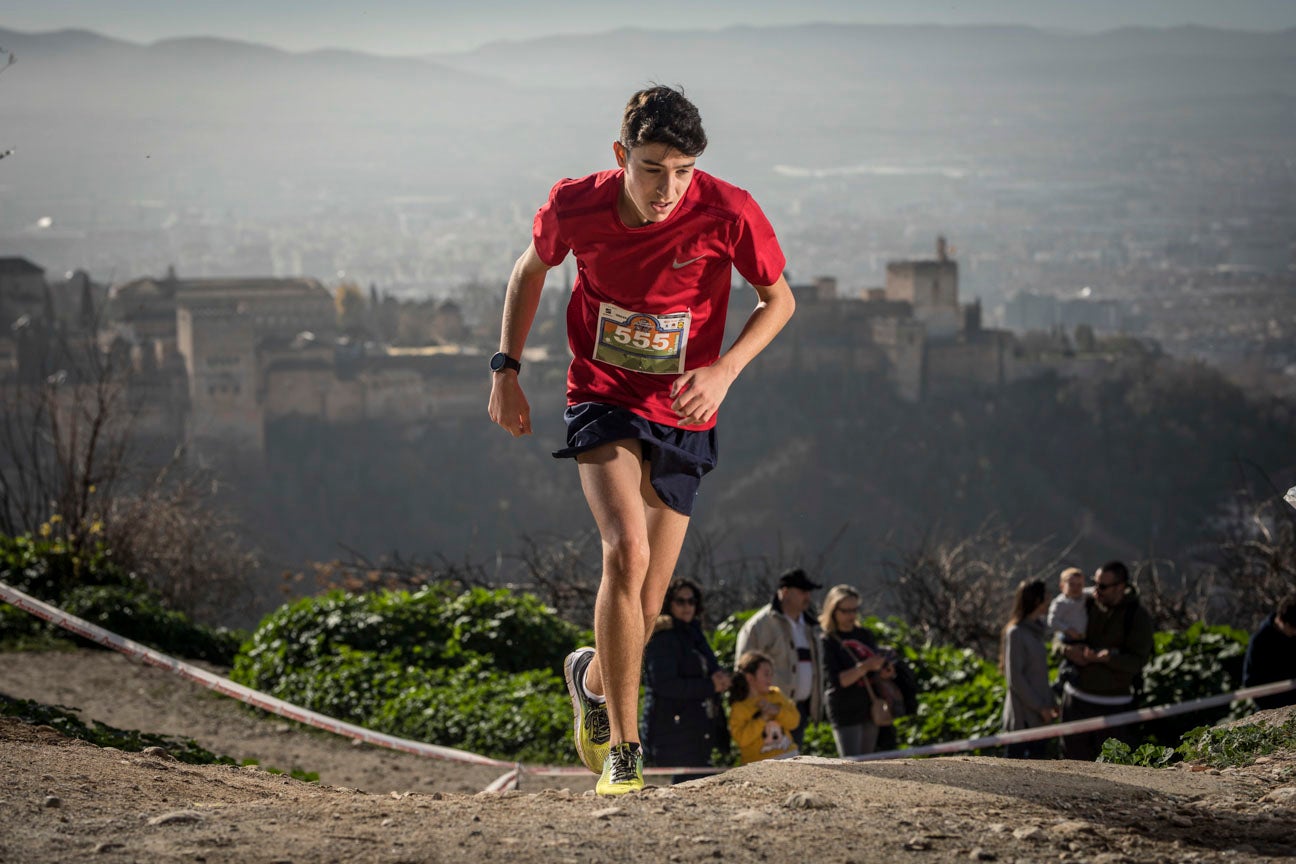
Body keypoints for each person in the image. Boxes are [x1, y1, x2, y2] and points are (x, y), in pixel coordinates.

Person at [488, 85, 795, 796]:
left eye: (683, 171)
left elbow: (779, 299)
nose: (668, 189)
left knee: (649, 602)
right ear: (621, 155)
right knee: (625, 551)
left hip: (685, 409)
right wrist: (506, 369)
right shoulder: (576, 204)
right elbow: (530, 270)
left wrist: (724, 371)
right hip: (602, 396)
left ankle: (592, 678)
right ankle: (625, 752)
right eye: (653, 169)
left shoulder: (729, 211)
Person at [1058, 560, 1154, 761]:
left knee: (1113, 766)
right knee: (1072, 763)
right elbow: (1058, 633)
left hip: (1114, 706)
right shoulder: (1084, 603)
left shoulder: (1137, 616)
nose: (1096, 590)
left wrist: (1109, 659)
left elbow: (1138, 661)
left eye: (1102, 586)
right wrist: (1067, 650)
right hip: (1076, 701)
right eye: (1094, 583)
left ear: (1120, 587)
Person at [641, 578, 732, 782]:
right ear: (669, 603)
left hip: (698, 730)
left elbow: (707, 668)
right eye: (680, 601)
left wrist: (721, 678)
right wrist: (710, 685)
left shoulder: (694, 632)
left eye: (691, 601)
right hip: (672, 732)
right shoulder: (662, 637)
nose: (687, 606)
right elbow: (664, 684)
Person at [734, 568, 823, 747]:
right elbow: (742, 667)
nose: (807, 596)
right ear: (785, 592)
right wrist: (758, 705)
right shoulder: (759, 625)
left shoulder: (811, 626)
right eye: (802, 591)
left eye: (808, 592)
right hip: (764, 711)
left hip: (798, 710)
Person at [817, 584, 891, 757]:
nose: (851, 615)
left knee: (868, 762)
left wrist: (884, 670)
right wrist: (865, 666)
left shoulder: (864, 635)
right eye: (846, 611)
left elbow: (875, 670)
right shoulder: (827, 640)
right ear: (833, 610)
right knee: (852, 763)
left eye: (854, 610)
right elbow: (837, 680)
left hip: (869, 706)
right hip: (845, 710)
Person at [1000, 579, 1058, 759]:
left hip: (1039, 718)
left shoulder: (1036, 631)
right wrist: (1040, 708)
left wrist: (1051, 702)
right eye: (1046, 596)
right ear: (1037, 600)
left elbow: (1038, 674)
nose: (1049, 600)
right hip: (1023, 718)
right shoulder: (1016, 633)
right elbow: (1015, 678)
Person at [728, 651, 800, 764]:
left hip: (789, 755)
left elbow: (794, 722)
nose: (770, 678)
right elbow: (741, 739)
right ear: (750, 678)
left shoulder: (776, 694)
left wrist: (777, 710)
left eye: (771, 674)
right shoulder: (739, 707)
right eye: (766, 674)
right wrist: (763, 718)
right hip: (757, 763)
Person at [1242, 592, 1296, 710]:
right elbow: (1252, 683)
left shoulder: (1291, 632)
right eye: (1293, 629)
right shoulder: (1260, 642)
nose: (1294, 633)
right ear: (1281, 621)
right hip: (1275, 708)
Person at [1047, 566, 1088, 695]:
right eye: (1071, 585)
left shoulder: (1084, 597)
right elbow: (1052, 621)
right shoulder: (1060, 603)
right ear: (1062, 586)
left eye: (1079, 585)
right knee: (1069, 661)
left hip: (1083, 637)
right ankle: (1060, 682)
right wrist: (1067, 630)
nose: (1076, 588)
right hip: (1068, 637)